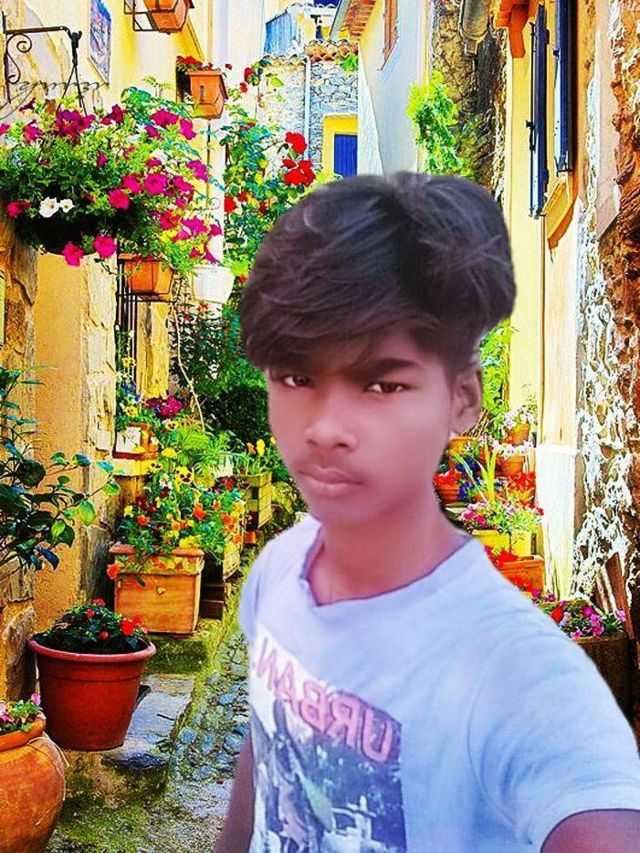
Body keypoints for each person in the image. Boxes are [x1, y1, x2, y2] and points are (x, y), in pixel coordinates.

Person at [215, 173, 640, 852]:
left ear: (462, 398)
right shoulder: (281, 571)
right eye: (297, 377)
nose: (326, 427)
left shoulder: (521, 678)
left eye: (382, 383)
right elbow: (266, 767)